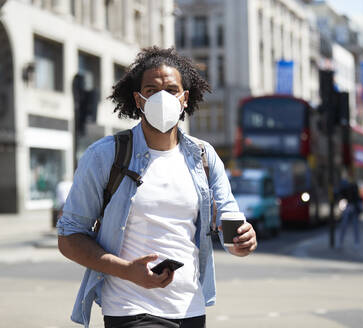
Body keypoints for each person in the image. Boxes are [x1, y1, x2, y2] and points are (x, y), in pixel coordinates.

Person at [57, 47, 258, 328]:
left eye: (171, 89)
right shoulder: (105, 155)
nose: (162, 98)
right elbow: (69, 237)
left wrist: (241, 242)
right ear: (138, 100)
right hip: (129, 308)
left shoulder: (204, 156)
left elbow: (228, 220)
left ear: (184, 98)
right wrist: (127, 271)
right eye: (151, 90)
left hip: (190, 308)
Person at [337, 174, 362, 248]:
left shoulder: (353, 187)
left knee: (354, 226)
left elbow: (357, 197)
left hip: (352, 207)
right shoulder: (345, 187)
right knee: (346, 225)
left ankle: (355, 242)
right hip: (348, 206)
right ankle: (342, 242)